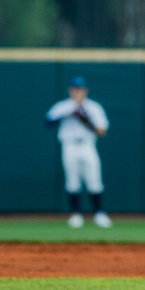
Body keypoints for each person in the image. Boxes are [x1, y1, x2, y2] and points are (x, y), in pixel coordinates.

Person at [46, 77, 112, 228]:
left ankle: (99, 214)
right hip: (69, 145)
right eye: (75, 89)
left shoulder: (94, 107)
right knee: (72, 180)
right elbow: (48, 121)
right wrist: (68, 113)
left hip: (87, 145)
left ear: (85, 90)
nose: (77, 92)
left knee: (94, 179)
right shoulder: (64, 106)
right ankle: (76, 214)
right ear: (70, 90)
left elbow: (102, 131)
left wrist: (86, 120)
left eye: (80, 89)